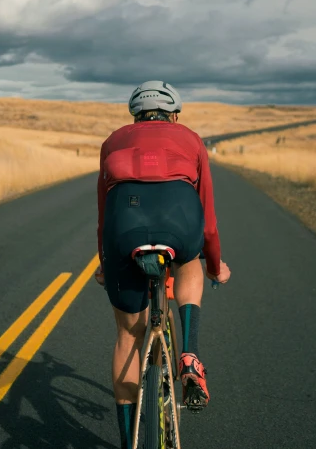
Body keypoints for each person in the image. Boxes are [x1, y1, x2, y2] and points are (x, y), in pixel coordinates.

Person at [95, 80, 231, 449]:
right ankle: (189, 353)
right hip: (179, 222)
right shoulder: (190, 139)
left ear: (135, 115)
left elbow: (102, 214)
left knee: (128, 335)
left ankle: (128, 442)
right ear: (173, 114)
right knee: (189, 261)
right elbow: (210, 223)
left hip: (123, 226)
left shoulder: (113, 141)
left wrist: (106, 265)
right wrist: (215, 265)